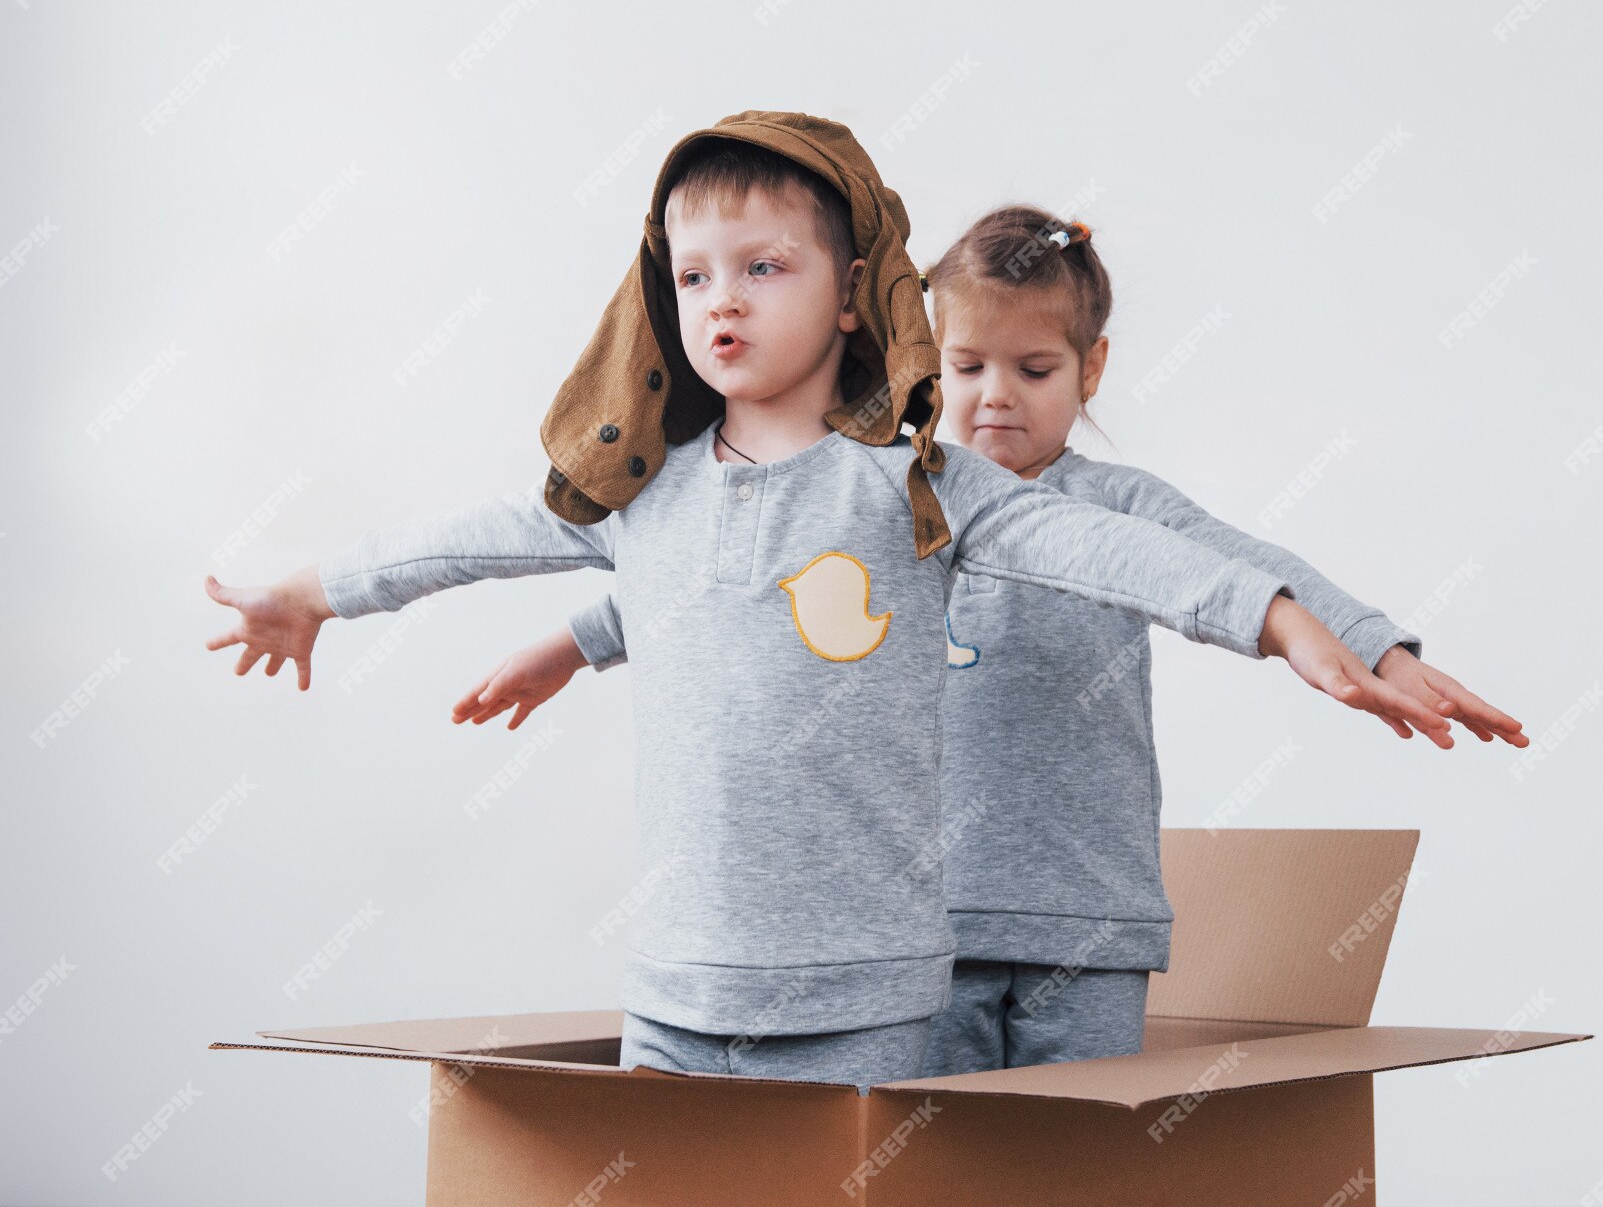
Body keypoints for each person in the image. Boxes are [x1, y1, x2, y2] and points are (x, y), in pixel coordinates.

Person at [201, 112, 1463, 1089]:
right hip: (677, 984)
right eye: (693, 277)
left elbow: (1127, 554)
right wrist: (316, 590)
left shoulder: (917, 487)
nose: (725, 299)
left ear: (852, 291)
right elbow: (470, 540)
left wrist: (1300, 624)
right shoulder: (644, 495)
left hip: (864, 995)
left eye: (761, 266)